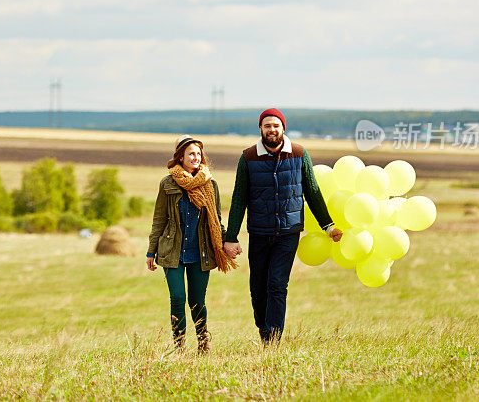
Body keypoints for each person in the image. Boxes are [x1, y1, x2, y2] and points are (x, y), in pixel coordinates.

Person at [223, 108, 342, 346]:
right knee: (257, 288)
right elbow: (239, 198)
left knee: (277, 284)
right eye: (267, 126)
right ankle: (263, 330)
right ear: (260, 129)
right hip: (258, 232)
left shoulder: (299, 154)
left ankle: (273, 339)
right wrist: (231, 236)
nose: (271, 130)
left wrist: (328, 225)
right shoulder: (248, 157)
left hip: (288, 233)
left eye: (275, 125)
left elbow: (313, 192)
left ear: (283, 128)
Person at [146, 135, 237, 354]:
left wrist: (227, 243)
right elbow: (159, 219)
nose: (196, 158)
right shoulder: (167, 183)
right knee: (178, 298)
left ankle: (203, 343)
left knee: (197, 301)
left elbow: (216, 219)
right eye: (191, 154)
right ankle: (179, 347)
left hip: (201, 251)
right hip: (172, 251)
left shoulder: (210, 184)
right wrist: (151, 251)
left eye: (198, 154)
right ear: (181, 157)